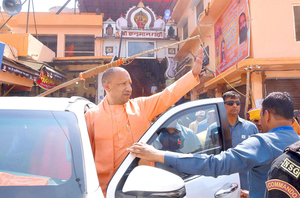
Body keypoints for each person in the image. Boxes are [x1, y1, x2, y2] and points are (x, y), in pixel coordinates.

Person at [128, 92, 300, 198]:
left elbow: (215, 164)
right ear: (292, 118)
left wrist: (158, 155)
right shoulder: (296, 144)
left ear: (267, 115)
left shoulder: (263, 142)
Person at [85, 47, 204, 195]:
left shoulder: (141, 107)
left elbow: (167, 95)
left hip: (140, 187)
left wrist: (192, 74)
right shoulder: (91, 117)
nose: (129, 88)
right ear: (107, 87)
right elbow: (83, 157)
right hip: (103, 190)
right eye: (123, 84)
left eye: (129, 83)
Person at [223, 91, 258, 191]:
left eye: (237, 103)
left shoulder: (251, 127)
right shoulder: (215, 128)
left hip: (247, 182)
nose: (234, 106)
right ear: (223, 105)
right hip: (224, 183)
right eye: (230, 103)